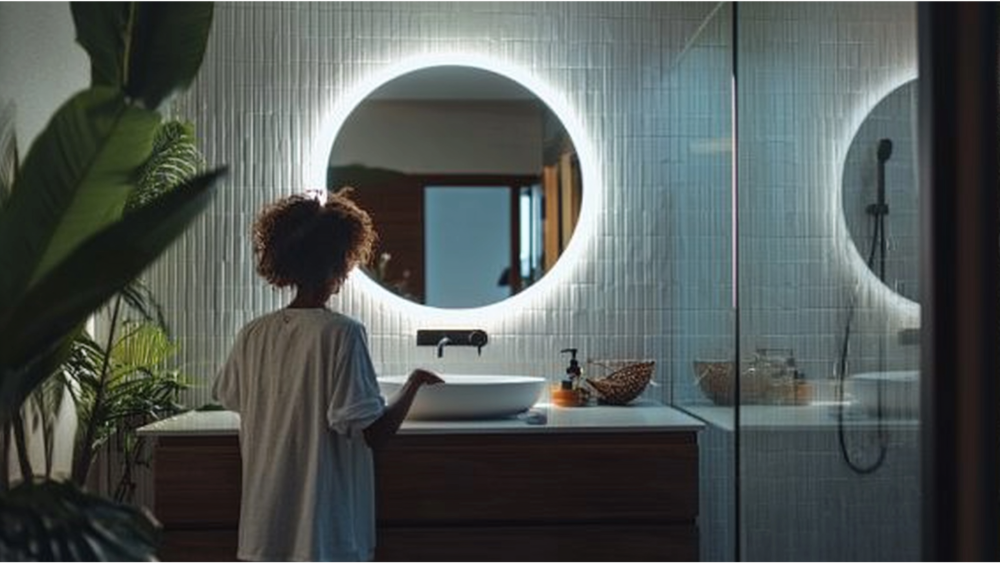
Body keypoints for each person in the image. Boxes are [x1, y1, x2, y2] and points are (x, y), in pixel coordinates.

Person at [212, 188, 443, 563]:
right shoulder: (342, 333)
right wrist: (413, 383)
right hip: (322, 534)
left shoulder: (253, 333)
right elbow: (373, 435)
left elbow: (233, 397)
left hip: (262, 532)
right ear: (340, 263)